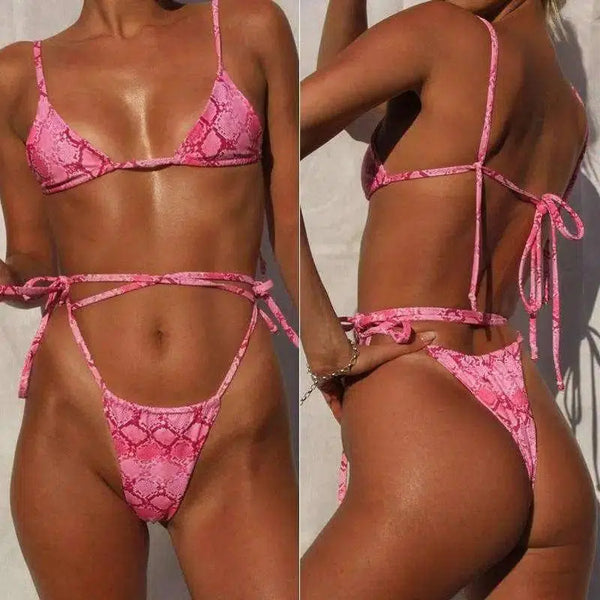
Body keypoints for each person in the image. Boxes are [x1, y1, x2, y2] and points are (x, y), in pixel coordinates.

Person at [0, 0, 298, 597]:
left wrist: (334, 352)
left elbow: (290, 222)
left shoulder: (248, 27)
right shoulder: (16, 75)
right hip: (74, 425)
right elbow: (32, 260)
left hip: (235, 421)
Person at [300, 0, 597, 598]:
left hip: (429, 413)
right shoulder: (568, 110)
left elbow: (245, 144)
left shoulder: (440, 34)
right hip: (545, 453)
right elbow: (356, 99)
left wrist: (323, 337)